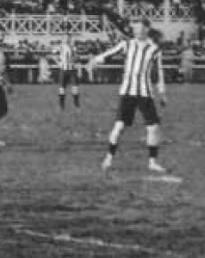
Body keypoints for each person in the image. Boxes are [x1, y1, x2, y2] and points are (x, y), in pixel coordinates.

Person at [89, 19, 167, 174]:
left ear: (146, 29)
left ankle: (152, 162)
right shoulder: (127, 44)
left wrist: (162, 93)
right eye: (134, 28)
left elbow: (158, 73)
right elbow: (109, 53)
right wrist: (95, 61)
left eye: (139, 28)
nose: (136, 31)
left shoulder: (154, 49)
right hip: (127, 92)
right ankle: (109, 158)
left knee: (153, 127)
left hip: (145, 92)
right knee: (119, 127)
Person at [54, 32, 80, 109]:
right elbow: (53, 55)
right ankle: (62, 105)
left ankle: (76, 104)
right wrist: (58, 62)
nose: (67, 39)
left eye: (68, 37)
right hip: (63, 70)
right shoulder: (60, 47)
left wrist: (74, 59)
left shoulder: (73, 47)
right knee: (62, 87)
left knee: (75, 87)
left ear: (70, 38)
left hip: (72, 69)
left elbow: (77, 57)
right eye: (65, 37)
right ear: (63, 38)